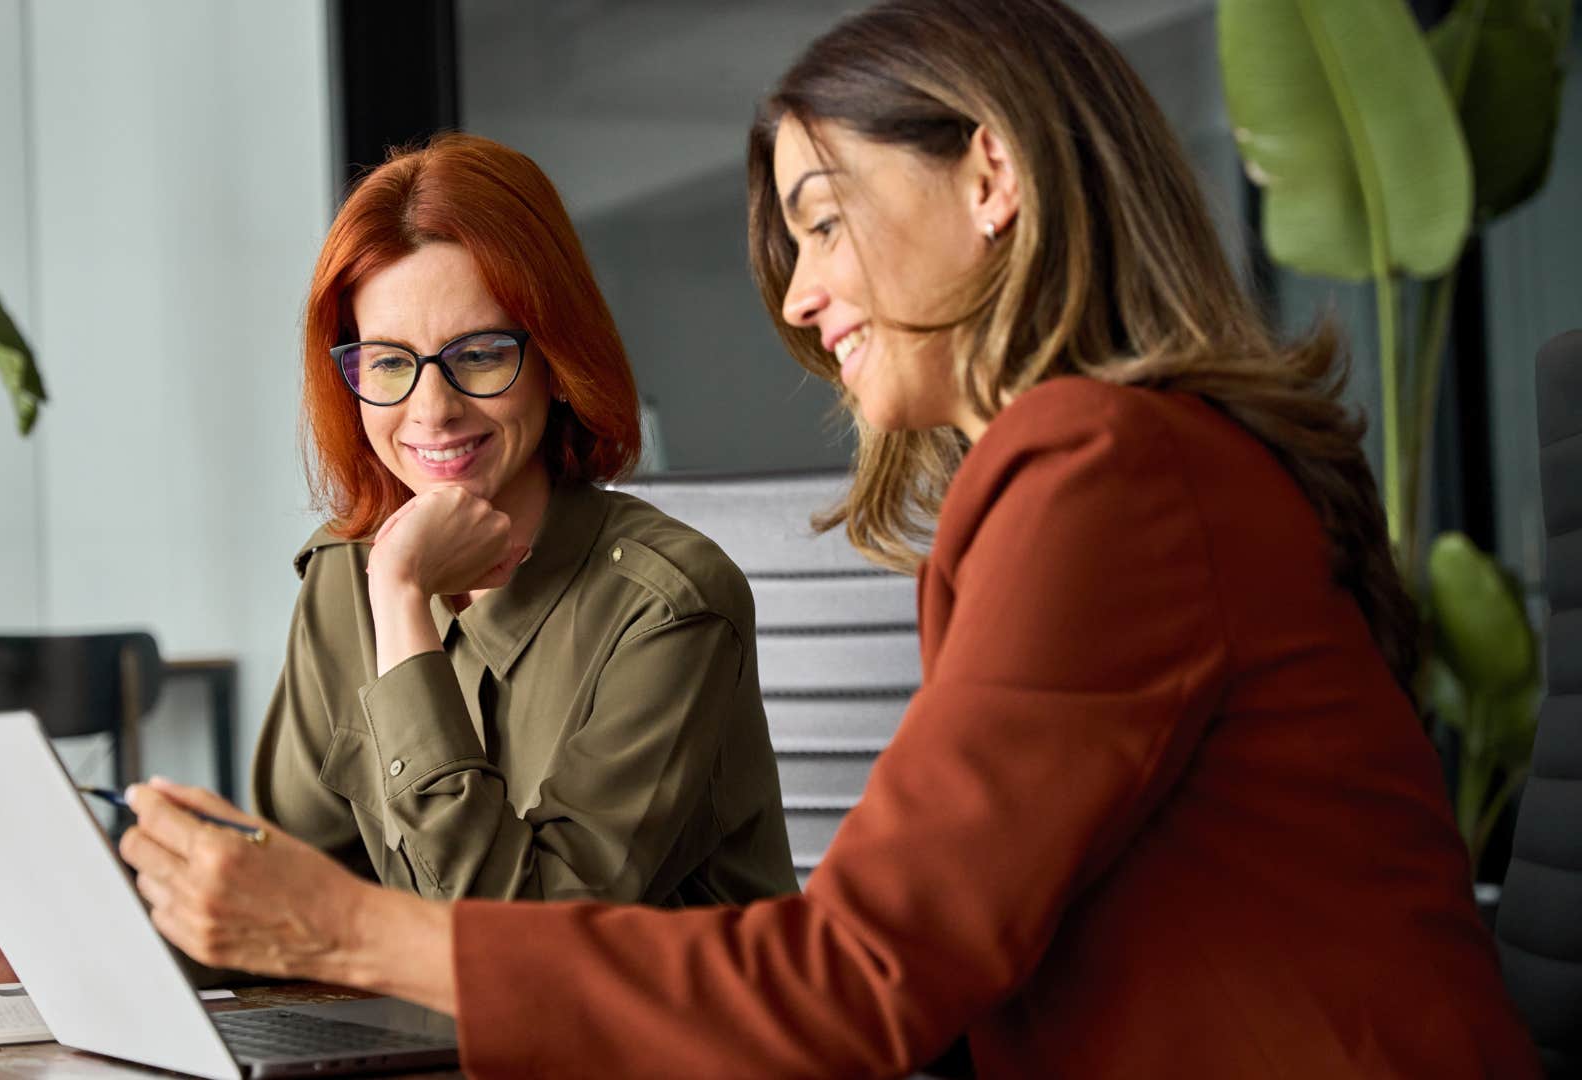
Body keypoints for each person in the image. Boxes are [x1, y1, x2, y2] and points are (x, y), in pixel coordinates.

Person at [110, 1, 1544, 1076]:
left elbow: (859, 976)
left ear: (992, 177)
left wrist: (342, 933)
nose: (798, 300)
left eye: (822, 222)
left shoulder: (1107, 468)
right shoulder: (1121, 466)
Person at [0, 133, 798, 990]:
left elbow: (512, 949)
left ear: (555, 356)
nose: (431, 410)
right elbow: (287, 894)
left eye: (480, 354)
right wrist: (38, 943)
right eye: (387, 362)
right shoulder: (346, 577)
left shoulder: (668, 605)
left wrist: (404, 601)